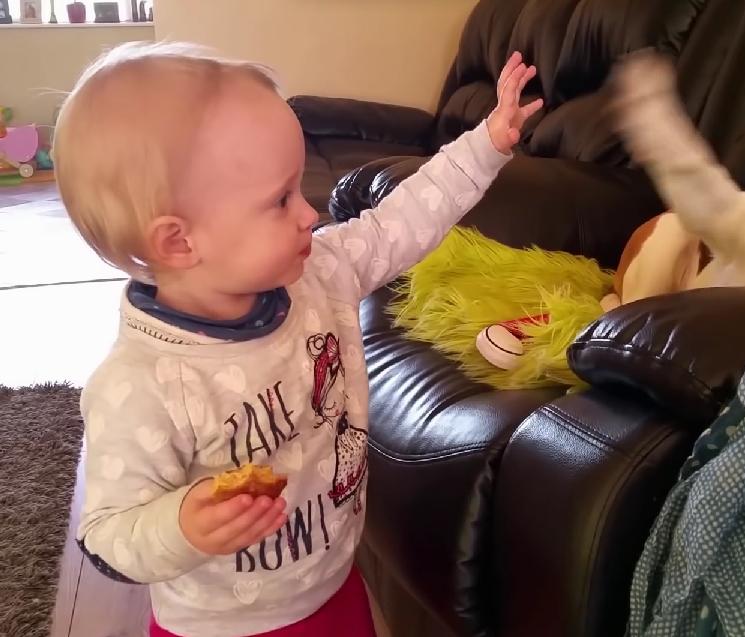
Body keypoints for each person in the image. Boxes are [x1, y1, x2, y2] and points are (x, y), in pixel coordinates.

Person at [54, 41, 542, 637]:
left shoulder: (321, 274)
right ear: (179, 242)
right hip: (220, 626)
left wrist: (486, 144)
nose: (310, 213)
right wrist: (180, 526)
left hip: (333, 584)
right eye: (280, 199)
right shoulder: (142, 384)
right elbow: (106, 531)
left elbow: (399, 220)